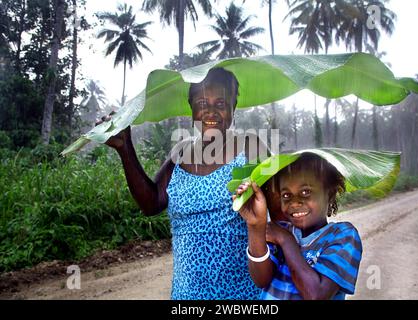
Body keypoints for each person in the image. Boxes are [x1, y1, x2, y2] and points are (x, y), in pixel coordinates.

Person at [96, 68, 270, 299]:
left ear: (233, 107)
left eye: (220, 103)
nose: (210, 111)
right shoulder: (180, 153)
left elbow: (281, 212)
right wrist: (124, 147)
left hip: (243, 295)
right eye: (201, 103)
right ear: (191, 108)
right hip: (186, 295)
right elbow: (152, 203)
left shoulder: (251, 148)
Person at [234, 153, 363, 300]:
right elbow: (261, 279)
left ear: (330, 194)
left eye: (305, 192)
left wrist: (286, 240)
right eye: (286, 195)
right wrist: (255, 226)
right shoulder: (281, 229)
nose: (294, 202)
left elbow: (316, 295)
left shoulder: (343, 235)